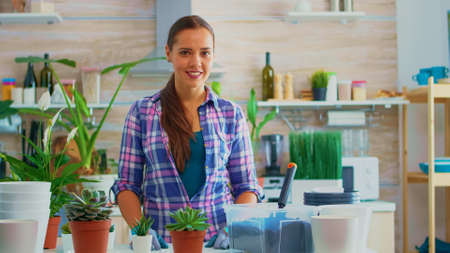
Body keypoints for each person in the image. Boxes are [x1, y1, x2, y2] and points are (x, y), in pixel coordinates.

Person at [111, 15, 264, 249]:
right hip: (159, 245)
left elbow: (246, 187)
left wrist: (231, 230)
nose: (196, 62)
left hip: (217, 244)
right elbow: (126, 186)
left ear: (213, 56)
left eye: (205, 53)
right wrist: (142, 233)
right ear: (168, 53)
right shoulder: (143, 113)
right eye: (185, 52)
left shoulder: (230, 114)